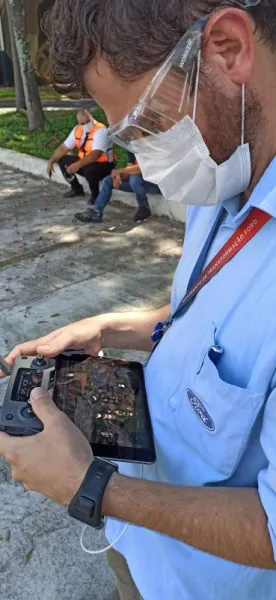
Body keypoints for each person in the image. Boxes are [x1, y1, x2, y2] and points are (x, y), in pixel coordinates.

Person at [2, 1, 276, 599]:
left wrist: (92, 485)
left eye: (145, 125)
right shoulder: (226, 166)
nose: (138, 157)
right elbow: (200, 312)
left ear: (228, 49)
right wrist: (110, 329)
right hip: (139, 545)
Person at [47, 108, 114, 204]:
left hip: (104, 165)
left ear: (92, 117)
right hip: (85, 160)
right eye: (82, 123)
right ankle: (76, 189)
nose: (85, 125)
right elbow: (64, 147)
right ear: (78, 122)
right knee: (63, 160)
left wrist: (77, 165)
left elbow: (95, 155)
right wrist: (51, 161)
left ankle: (95, 195)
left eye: (88, 121)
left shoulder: (101, 130)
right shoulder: (77, 130)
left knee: (89, 169)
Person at [75, 152, 161, 224]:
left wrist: (121, 171)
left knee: (135, 179)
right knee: (108, 180)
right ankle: (96, 212)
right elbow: (129, 168)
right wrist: (118, 176)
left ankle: (144, 208)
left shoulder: (152, 146)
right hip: (137, 184)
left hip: (155, 185)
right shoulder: (133, 147)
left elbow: (142, 168)